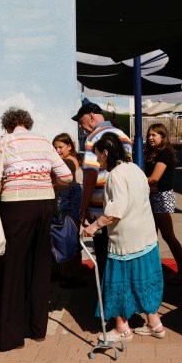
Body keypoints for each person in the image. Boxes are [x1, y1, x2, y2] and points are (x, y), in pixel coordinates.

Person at [0, 108, 72, 352]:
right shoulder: (44, 141)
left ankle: (11, 336)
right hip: (45, 205)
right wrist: (44, 183)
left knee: (12, 266)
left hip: (16, 206)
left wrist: (13, 184)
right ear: (27, 123)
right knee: (39, 265)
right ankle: (37, 329)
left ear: (9, 125)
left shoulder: (6, 140)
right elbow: (66, 177)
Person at [82, 133, 165, 341]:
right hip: (145, 236)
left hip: (125, 242)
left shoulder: (115, 175)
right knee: (143, 281)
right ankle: (155, 323)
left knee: (118, 283)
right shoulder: (135, 168)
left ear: (106, 153)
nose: (98, 160)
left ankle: (122, 329)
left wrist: (94, 226)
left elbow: (115, 211)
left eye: (99, 155)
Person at [72, 101, 132, 278]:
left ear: (91, 116)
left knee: (104, 255)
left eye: (81, 122)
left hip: (101, 209)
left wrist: (83, 209)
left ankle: (105, 296)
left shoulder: (94, 138)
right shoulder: (122, 134)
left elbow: (90, 176)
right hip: (122, 205)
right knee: (119, 253)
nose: (82, 128)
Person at [143, 123, 182, 284]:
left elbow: (154, 178)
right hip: (152, 196)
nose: (151, 138)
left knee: (167, 234)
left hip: (162, 196)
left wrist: (136, 181)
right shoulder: (151, 153)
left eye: (154, 135)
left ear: (163, 137)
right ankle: (153, 271)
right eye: (149, 135)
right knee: (151, 236)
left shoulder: (164, 153)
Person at [52, 132, 85, 288]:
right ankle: (67, 272)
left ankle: (74, 276)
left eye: (60, 146)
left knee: (69, 239)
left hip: (71, 203)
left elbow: (62, 182)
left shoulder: (68, 161)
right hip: (72, 203)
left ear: (70, 146)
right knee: (71, 239)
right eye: (55, 147)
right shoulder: (73, 159)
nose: (57, 150)